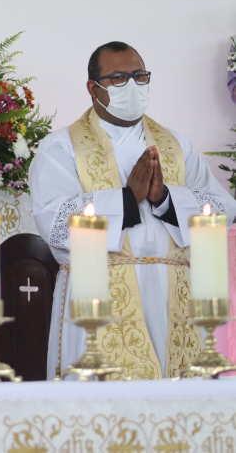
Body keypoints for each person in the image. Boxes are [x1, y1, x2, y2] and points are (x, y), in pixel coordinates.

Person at [30, 41, 236, 380]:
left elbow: (223, 210)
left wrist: (165, 199)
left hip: (175, 295)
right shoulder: (61, 148)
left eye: (140, 76)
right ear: (93, 88)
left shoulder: (177, 145)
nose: (132, 86)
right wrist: (126, 200)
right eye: (118, 78)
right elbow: (55, 223)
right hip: (98, 299)